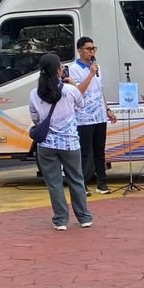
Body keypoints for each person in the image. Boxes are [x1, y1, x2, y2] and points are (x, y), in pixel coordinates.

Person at [29, 51, 94, 231]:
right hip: (70, 143)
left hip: (47, 145)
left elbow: (35, 119)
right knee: (76, 179)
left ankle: (61, 220)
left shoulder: (35, 93)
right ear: (59, 70)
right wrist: (72, 83)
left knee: (54, 183)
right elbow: (82, 105)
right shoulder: (70, 90)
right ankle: (84, 217)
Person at [68, 36, 113, 194]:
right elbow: (78, 91)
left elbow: (100, 91)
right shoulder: (73, 69)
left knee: (99, 150)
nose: (92, 52)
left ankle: (102, 183)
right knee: (85, 152)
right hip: (84, 117)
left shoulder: (96, 66)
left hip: (99, 115)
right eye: (89, 49)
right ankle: (82, 184)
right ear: (80, 51)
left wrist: (107, 109)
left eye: (94, 48)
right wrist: (90, 75)